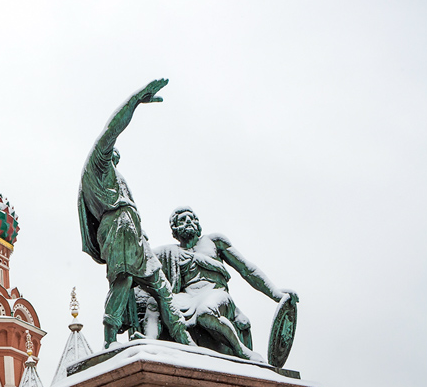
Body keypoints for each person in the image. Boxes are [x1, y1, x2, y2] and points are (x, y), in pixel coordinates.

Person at [79, 79, 194, 349]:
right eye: (111, 153)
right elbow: (112, 129)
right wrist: (135, 101)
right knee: (124, 279)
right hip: (117, 228)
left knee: (162, 287)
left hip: (133, 233)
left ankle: (186, 342)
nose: (114, 155)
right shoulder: (97, 164)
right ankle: (110, 338)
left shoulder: (115, 175)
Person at [149, 207, 297, 361]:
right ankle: (148, 343)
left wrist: (275, 294)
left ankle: (241, 350)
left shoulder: (214, 241)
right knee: (156, 302)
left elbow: (247, 270)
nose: (188, 222)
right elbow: (142, 264)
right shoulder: (169, 252)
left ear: (198, 225)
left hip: (215, 292)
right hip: (187, 296)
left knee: (205, 312)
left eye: (191, 219)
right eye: (182, 220)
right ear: (175, 229)